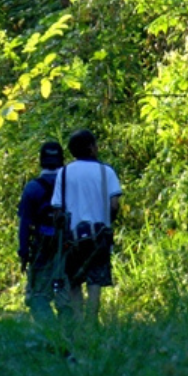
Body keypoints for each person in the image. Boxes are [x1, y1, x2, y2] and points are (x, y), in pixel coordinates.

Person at [51, 129, 122, 324]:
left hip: (72, 237)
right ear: (91, 147)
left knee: (74, 281)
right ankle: (92, 319)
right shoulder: (106, 171)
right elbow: (114, 204)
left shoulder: (63, 173)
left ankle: (79, 320)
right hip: (99, 234)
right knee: (95, 279)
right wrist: (108, 219)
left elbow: (57, 209)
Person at [17, 141, 72, 323]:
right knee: (66, 298)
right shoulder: (70, 186)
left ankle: (51, 335)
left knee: (37, 296)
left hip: (42, 248)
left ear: (41, 161)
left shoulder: (32, 188)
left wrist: (24, 252)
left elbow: (25, 224)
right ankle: (70, 335)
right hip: (70, 247)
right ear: (61, 161)